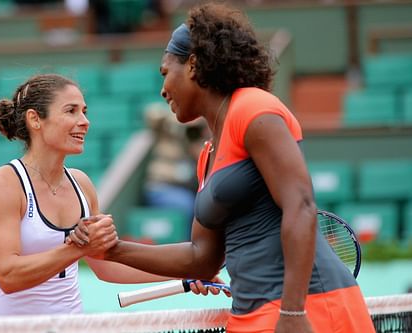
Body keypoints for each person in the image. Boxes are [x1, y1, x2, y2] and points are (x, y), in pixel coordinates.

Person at [98, 3, 376, 332]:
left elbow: (300, 206)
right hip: (251, 315)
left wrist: (292, 312)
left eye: (165, 73)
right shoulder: (208, 155)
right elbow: (202, 259)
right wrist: (111, 250)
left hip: (310, 309)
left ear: (193, 64)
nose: (162, 89)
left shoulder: (253, 106)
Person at [0, 73, 223, 316]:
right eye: (71, 111)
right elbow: (9, 276)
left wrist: (188, 272)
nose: (84, 121)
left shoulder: (81, 184)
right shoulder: (1, 185)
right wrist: (77, 249)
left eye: (84, 111)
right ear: (35, 119)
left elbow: (106, 265)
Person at [143, 102, 208, 237]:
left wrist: (194, 139)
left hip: (185, 188)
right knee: (186, 203)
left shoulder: (198, 142)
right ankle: (187, 244)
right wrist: (178, 121)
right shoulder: (166, 133)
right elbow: (152, 115)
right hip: (161, 187)